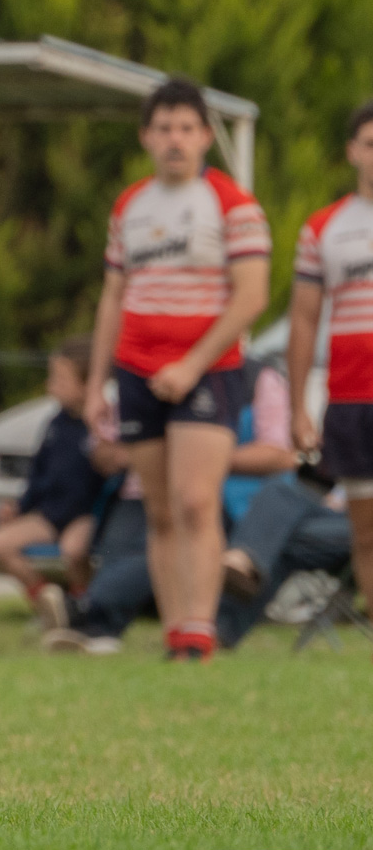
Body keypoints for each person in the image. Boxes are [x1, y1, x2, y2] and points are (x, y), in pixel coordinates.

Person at [85, 78, 269, 660]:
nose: (175, 139)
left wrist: (191, 366)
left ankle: (201, 626)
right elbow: (113, 297)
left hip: (208, 371)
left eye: (186, 128)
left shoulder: (232, 204)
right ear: (146, 136)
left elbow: (251, 296)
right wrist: (97, 382)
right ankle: (175, 633)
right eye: (164, 128)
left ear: (206, 137)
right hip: (137, 372)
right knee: (159, 507)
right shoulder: (130, 206)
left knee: (196, 500)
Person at [49, 360, 294, 651]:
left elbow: (281, 454)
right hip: (139, 495)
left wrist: (197, 457)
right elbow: (106, 448)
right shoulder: (142, 370)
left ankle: (93, 612)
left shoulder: (255, 379)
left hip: (220, 497)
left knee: (169, 537)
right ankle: (108, 627)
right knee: (139, 542)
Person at [287, 99, 373, 607]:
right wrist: (298, 405)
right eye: (370, 145)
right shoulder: (324, 227)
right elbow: (303, 319)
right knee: (365, 532)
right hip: (352, 398)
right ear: (352, 152)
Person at [0, 337, 106, 628]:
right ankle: (47, 603)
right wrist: (20, 508)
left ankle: (82, 610)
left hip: (87, 515)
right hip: (50, 514)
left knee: (74, 550)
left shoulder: (102, 425)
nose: (52, 386)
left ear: (88, 385)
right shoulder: (54, 424)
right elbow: (38, 474)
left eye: (61, 379)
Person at [216, 478, 354, 647]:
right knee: (279, 490)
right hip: (336, 512)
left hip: (360, 526)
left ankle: (220, 630)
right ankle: (245, 559)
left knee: (274, 538)